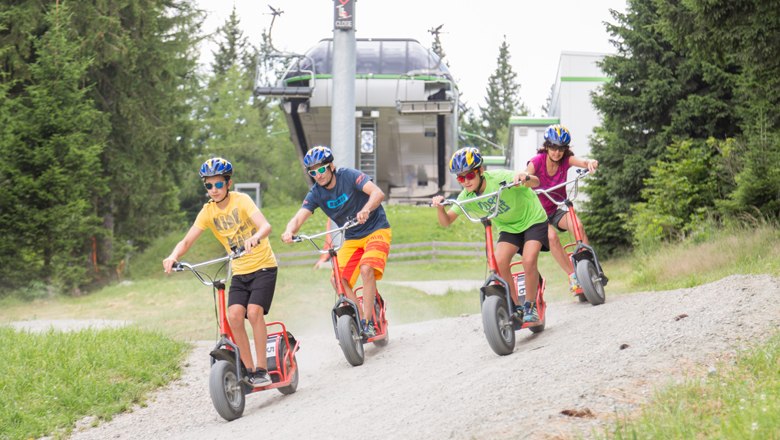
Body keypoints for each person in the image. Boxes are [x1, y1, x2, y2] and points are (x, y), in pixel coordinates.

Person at [162, 157, 277, 386]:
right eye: (208, 185)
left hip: (263, 266)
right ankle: (249, 369)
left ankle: (262, 369)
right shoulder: (207, 212)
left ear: (228, 183)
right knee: (233, 316)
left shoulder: (241, 201)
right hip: (240, 271)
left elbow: (266, 226)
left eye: (218, 184)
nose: (213, 190)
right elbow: (187, 241)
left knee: (254, 312)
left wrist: (255, 237)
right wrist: (174, 256)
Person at [281, 146, 392, 337]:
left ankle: (369, 322)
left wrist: (366, 209)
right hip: (352, 237)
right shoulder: (316, 193)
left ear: (331, 166)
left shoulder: (348, 176)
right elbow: (299, 217)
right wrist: (289, 230)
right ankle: (360, 318)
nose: (319, 175)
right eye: (313, 172)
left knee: (366, 269)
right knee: (337, 280)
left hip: (376, 229)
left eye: (322, 169)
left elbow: (377, 193)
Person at [431, 147, 549, 324]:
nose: (465, 182)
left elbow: (536, 182)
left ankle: (530, 306)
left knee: (528, 260)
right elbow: (446, 221)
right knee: (499, 262)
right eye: (460, 178)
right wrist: (440, 207)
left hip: (532, 218)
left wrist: (524, 177)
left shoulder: (500, 177)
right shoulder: (466, 196)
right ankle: (516, 307)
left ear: (480, 171)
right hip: (509, 227)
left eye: (469, 175)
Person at [526, 124, 598, 294]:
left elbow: (582, 161)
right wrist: (524, 178)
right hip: (538, 214)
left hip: (555, 208)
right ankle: (573, 275)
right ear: (546, 146)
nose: (556, 152)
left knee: (577, 225)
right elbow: (527, 174)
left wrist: (590, 163)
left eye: (561, 148)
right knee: (551, 237)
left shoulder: (566, 160)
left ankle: (589, 265)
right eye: (553, 147)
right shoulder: (537, 161)